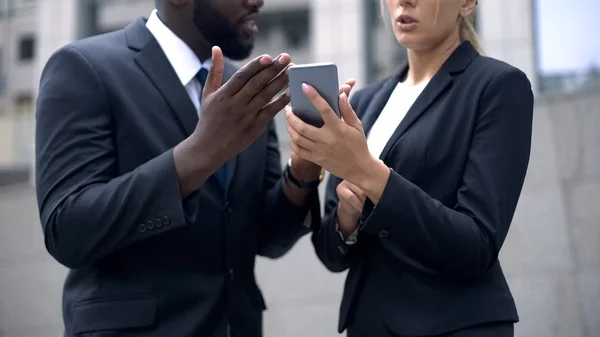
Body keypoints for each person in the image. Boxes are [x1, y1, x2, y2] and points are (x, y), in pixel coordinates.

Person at [35, 0, 354, 336]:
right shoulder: (84, 67)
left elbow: (268, 237)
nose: (259, 1)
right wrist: (202, 151)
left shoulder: (246, 89)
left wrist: (303, 169)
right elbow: (67, 231)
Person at [286, 0, 534, 336]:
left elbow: (477, 246)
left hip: (455, 325)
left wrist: (369, 174)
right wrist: (347, 215)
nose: (404, 1)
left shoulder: (497, 86)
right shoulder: (364, 103)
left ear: (467, 4)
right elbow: (332, 255)